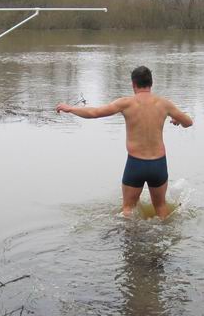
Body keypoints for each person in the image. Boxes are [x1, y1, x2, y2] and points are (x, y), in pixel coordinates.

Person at [56, 66, 193, 219]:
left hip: (136, 164)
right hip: (158, 164)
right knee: (160, 206)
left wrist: (70, 108)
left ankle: (129, 239)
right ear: (151, 84)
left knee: (128, 208)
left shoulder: (126, 103)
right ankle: (165, 238)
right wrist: (177, 120)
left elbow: (94, 113)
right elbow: (188, 122)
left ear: (133, 84)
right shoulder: (164, 104)